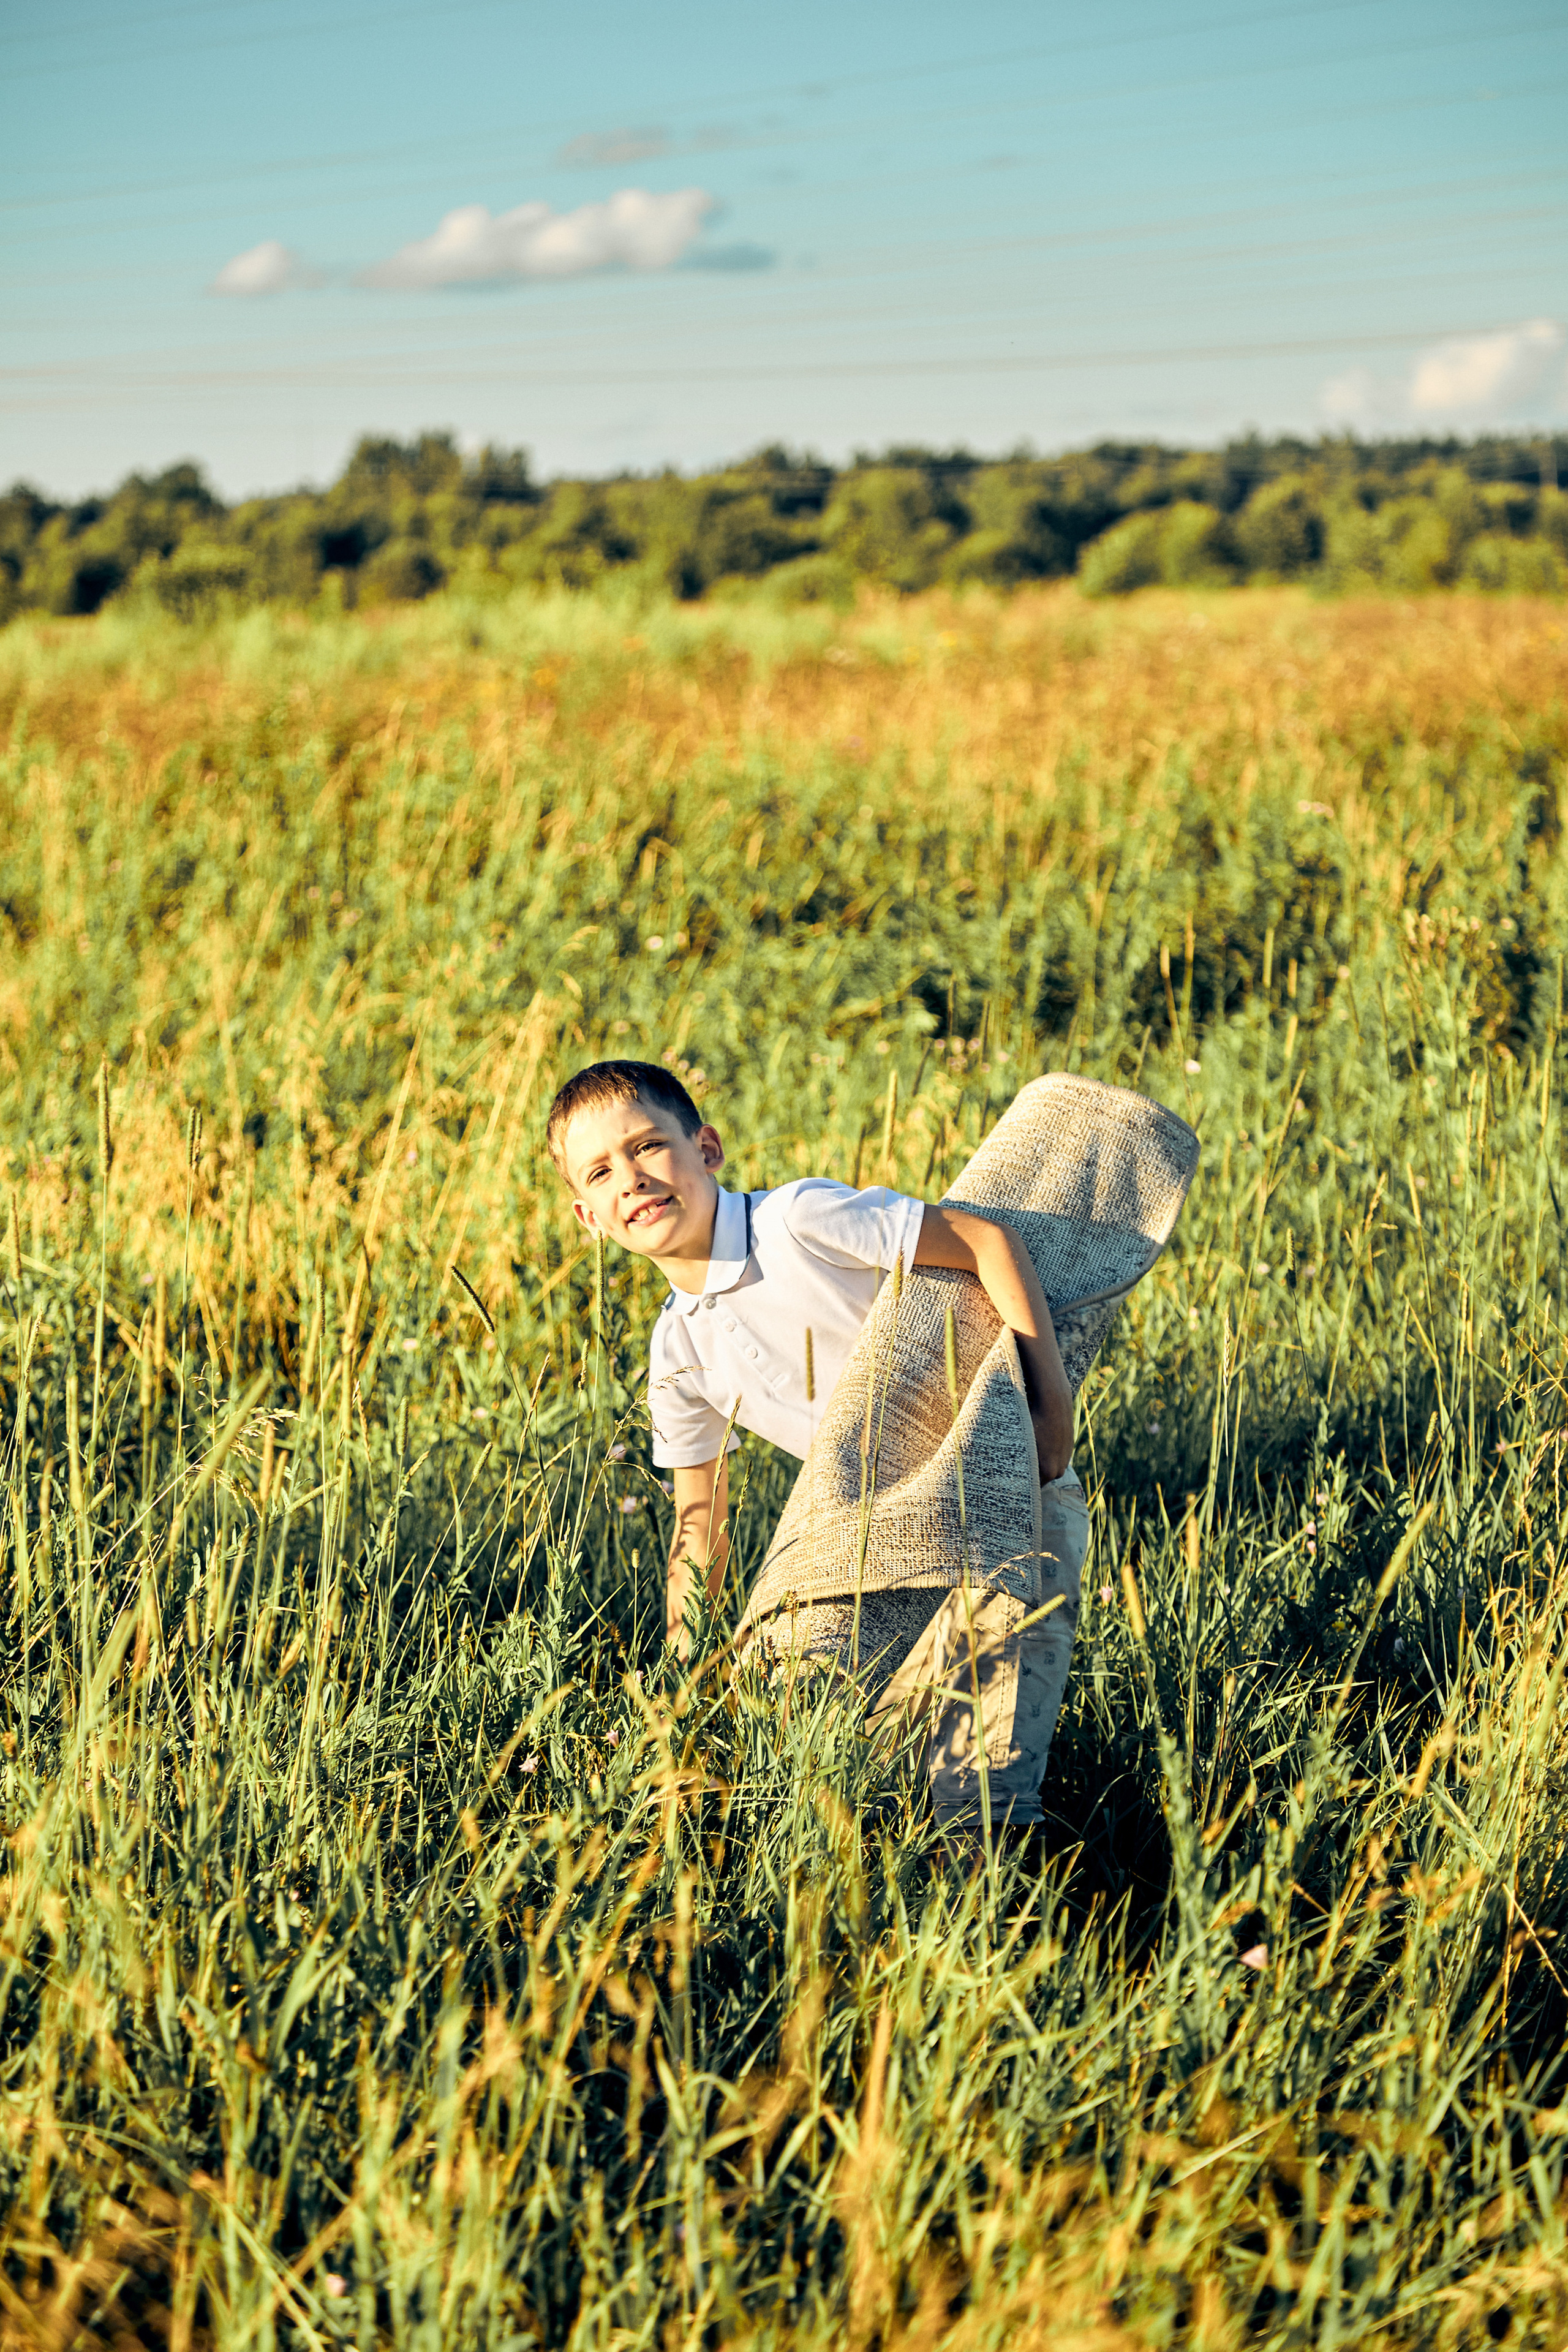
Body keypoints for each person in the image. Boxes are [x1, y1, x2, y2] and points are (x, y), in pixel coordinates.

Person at [546, 1057, 1085, 1835]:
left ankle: (1008, 1944)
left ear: (705, 1149)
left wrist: (1050, 1407)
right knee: (881, 1788)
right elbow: (699, 1528)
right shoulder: (675, 1353)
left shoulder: (796, 1222)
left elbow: (986, 1243)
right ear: (588, 1218)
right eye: (600, 1172)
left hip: (1007, 1496)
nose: (630, 1178)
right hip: (885, 1555)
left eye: (646, 1147)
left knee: (981, 1784)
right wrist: (680, 1672)